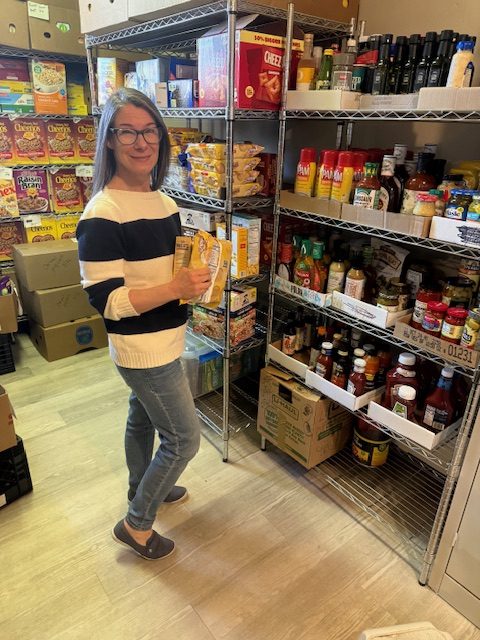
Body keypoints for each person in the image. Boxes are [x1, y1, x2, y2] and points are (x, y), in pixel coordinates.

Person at [76, 88, 211, 560]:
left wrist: (196, 279)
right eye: (128, 132)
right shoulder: (102, 213)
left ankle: (144, 486)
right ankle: (136, 525)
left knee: (142, 418)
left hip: (167, 338)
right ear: (109, 140)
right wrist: (175, 288)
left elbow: (165, 274)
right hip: (142, 349)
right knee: (184, 440)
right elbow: (109, 302)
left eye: (150, 130)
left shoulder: (163, 202)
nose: (142, 142)